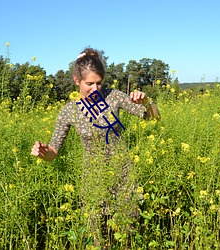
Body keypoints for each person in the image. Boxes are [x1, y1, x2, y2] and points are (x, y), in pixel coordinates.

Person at [31, 47, 160, 246]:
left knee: (128, 234)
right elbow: (54, 151)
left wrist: (147, 102)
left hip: (123, 174)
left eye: (99, 83)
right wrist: (43, 152)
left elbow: (153, 118)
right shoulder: (70, 111)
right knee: (97, 237)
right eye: (89, 84)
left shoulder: (113, 96)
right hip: (93, 179)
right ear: (77, 81)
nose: (95, 89)